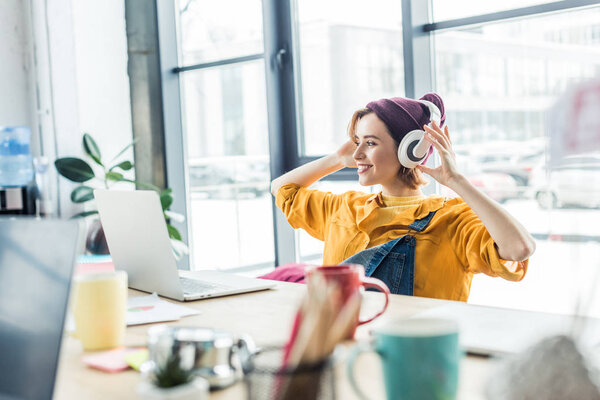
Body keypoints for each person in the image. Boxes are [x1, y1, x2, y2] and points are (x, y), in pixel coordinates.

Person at [269, 93, 536, 301]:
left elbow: (519, 248)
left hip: (413, 357)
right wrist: (337, 159)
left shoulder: (452, 220)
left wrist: (457, 181)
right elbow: (282, 188)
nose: (357, 154)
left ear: (410, 150)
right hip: (345, 351)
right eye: (356, 141)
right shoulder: (344, 208)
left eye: (370, 143)